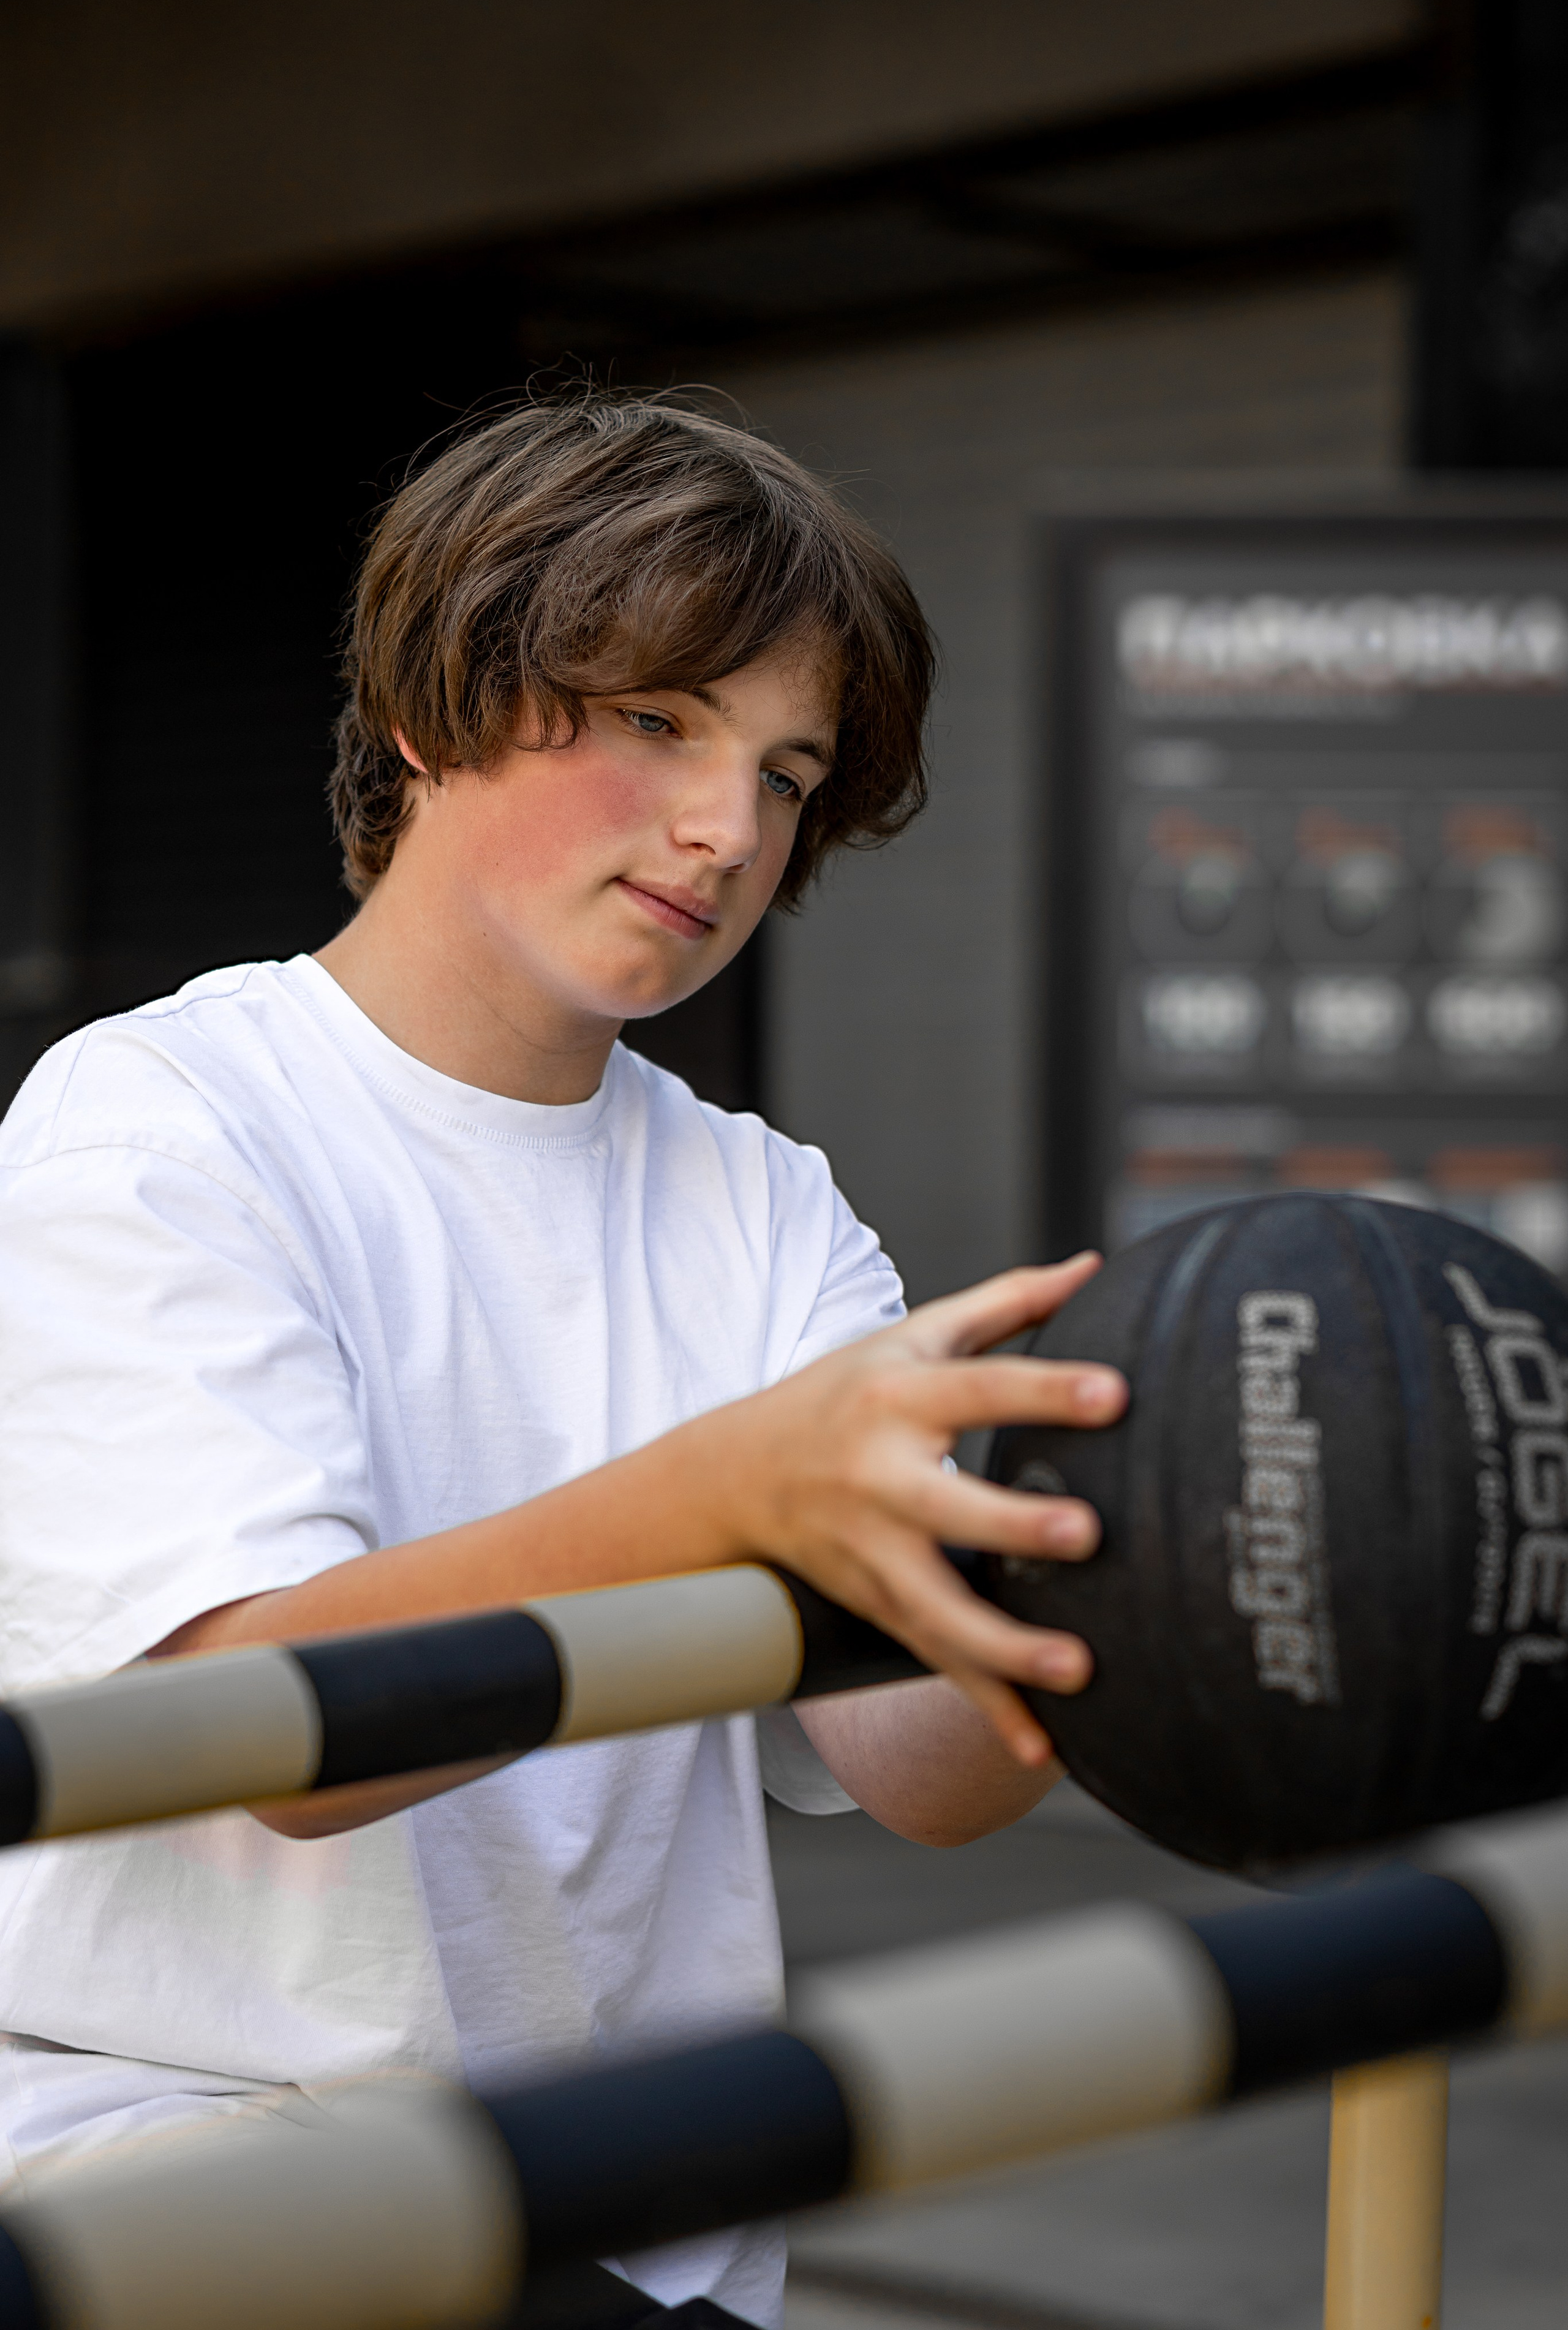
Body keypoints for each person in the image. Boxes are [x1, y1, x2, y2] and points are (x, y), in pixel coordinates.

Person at [0, 395, 1124, 2324]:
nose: (728, 831)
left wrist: (1127, 1569)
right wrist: (739, 1489)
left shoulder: (762, 1203)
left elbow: (921, 1770)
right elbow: (281, 1744)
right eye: (661, 723)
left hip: (632, 2229)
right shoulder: (153, 1128)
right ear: (444, 700)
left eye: (789, 774)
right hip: (173, 2191)